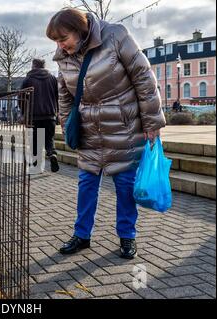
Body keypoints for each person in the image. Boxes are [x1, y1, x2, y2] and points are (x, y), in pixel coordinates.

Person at [46, 8, 166, 259]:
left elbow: (144, 78)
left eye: (63, 38)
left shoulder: (115, 35)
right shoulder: (63, 57)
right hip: (89, 131)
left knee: (125, 187)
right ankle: (82, 235)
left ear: (79, 30)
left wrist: (151, 122)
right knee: (86, 185)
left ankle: (127, 237)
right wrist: (68, 126)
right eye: (56, 41)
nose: (59, 45)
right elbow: (65, 96)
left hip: (123, 128)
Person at [21, 58, 60, 174]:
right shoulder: (53, 79)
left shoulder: (28, 79)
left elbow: (21, 98)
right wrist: (56, 113)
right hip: (50, 116)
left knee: (35, 142)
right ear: (44, 66)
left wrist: (23, 113)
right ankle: (52, 154)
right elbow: (57, 96)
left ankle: (37, 167)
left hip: (34, 117)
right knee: (49, 139)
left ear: (33, 66)